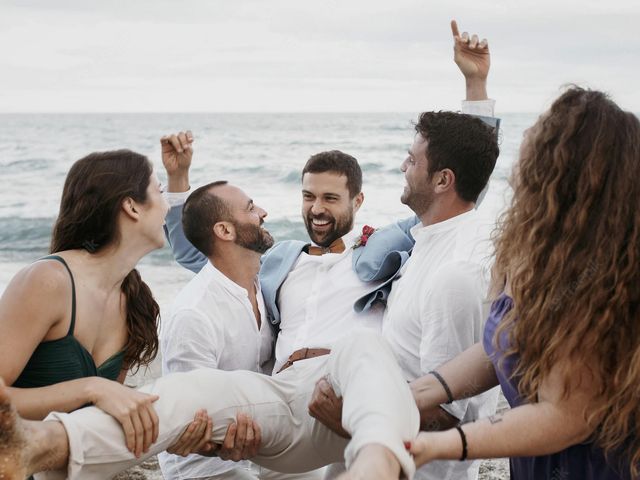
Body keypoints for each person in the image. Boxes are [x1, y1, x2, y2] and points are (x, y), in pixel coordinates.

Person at [167, 20, 500, 480]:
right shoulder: (278, 261)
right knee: (183, 409)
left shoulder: (383, 249)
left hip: (347, 392)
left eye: (329, 199)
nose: (317, 209)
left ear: (357, 203)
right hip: (283, 397)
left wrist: (475, 85)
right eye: (308, 197)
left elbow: (463, 189)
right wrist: (180, 184)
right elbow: (205, 253)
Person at [402, 88, 640, 479]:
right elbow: (500, 345)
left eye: (538, 144)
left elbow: (564, 416)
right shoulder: (527, 247)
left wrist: (440, 444)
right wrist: (416, 394)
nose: (522, 158)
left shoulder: (610, 277)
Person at [157, 173, 323, 479]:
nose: (262, 212)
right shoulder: (194, 314)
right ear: (224, 230)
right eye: (250, 208)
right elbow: (187, 422)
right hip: (207, 466)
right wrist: (222, 442)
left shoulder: (267, 284)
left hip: (266, 446)